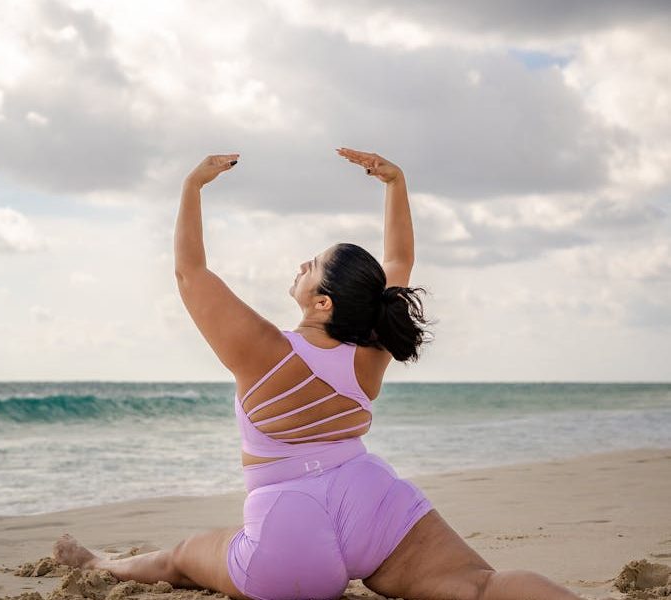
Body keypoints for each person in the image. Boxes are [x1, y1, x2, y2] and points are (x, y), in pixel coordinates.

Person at [53, 148, 581, 600]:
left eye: (311, 265)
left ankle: (100, 564)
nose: (301, 264)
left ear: (322, 301)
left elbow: (190, 272)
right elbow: (399, 260)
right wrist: (396, 184)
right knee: (482, 586)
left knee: (184, 558)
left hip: (288, 527)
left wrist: (192, 186)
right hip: (374, 505)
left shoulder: (262, 349)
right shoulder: (370, 346)